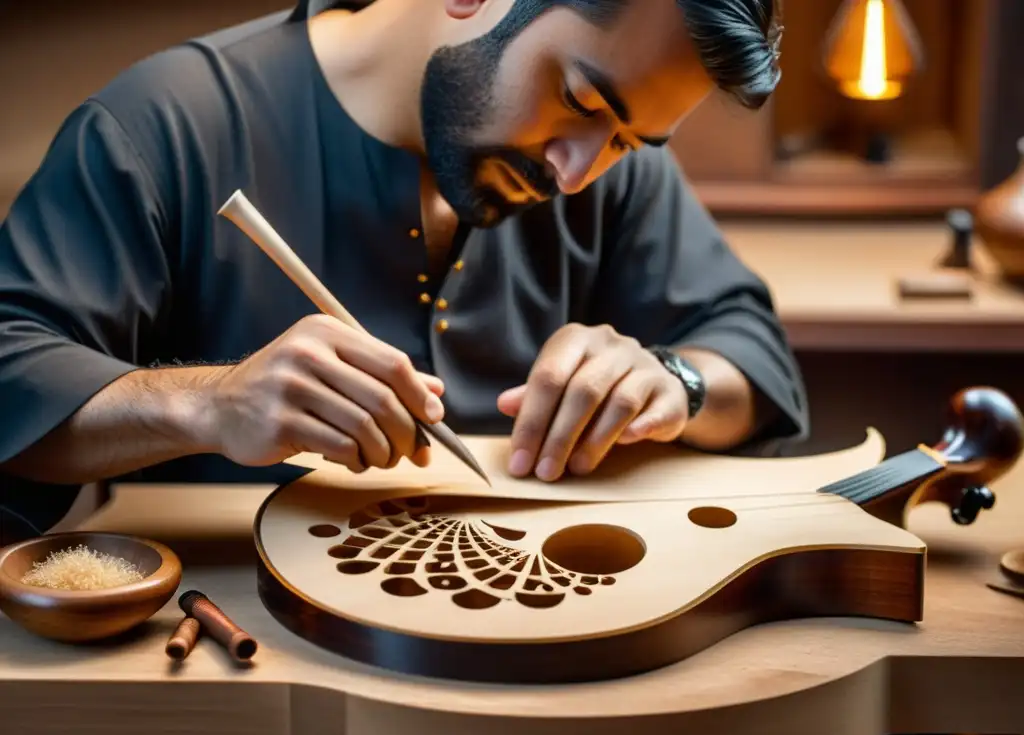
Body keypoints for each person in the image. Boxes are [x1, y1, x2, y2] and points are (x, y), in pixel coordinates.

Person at [0, 0, 808, 542]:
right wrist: (204, 405)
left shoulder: (604, 166)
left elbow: (748, 351)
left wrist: (672, 382)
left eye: (631, 142)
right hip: (242, 659)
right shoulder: (166, 125)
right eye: (582, 101)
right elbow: (13, 371)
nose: (578, 172)